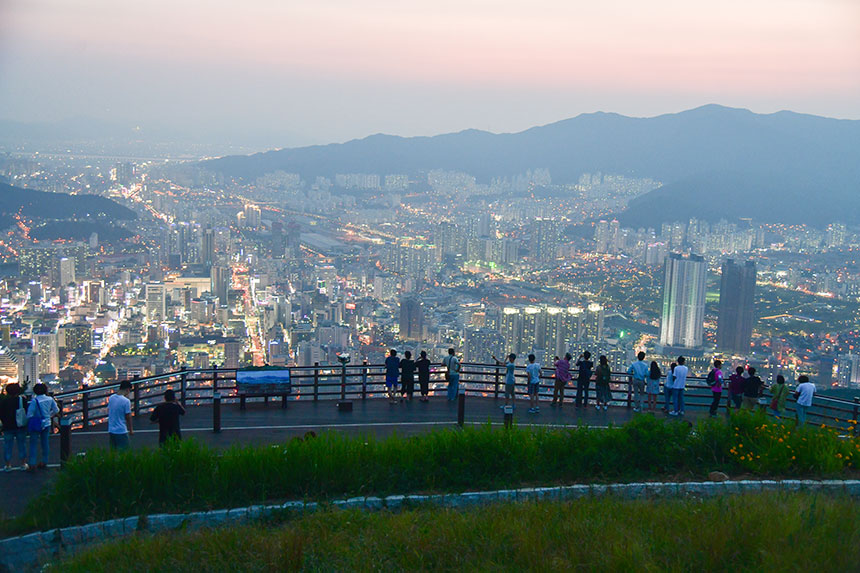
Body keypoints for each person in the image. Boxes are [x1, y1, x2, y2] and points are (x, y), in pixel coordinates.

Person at [26, 383, 58, 470]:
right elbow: (56, 410)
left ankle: (32, 463)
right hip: (47, 423)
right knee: (45, 443)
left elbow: (29, 414)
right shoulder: (50, 399)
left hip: (36, 424)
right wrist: (49, 416)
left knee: (33, 444)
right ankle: (44, 461)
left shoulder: (34, 401)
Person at [1, 383, 29, 471]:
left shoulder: (4, 402)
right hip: (20, 425)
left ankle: (8, 465)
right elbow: (27, 411)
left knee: (7, 445)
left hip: (7, 426)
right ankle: (23, 464)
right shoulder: (22, 400)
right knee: (22, 444)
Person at [108, 380, 134, 450]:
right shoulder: (126, 401)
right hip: (121, 430)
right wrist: (131, 430)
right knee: (124, 452)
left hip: (111, 429)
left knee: (113, 451)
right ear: (127, 390)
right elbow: (128, 416)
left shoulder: (111, 398)